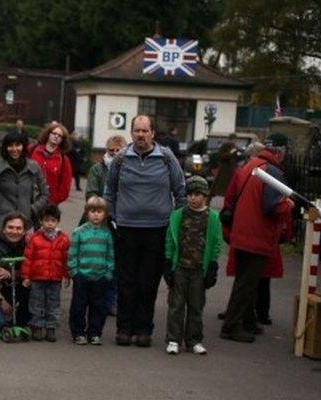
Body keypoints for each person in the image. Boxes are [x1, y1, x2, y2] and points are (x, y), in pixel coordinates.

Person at [104, 114, 186, 347]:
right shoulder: (120, 159)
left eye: (144, 131)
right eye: (136, 131)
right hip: (126, 229)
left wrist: (177, 223)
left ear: (152, 133)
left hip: (157, 229)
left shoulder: (166, 158)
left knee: (148, 283)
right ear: (131, 133)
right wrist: (111, 217)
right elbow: (109, 191)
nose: (140, 135)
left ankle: (143, 330)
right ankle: (124, 328)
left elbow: (180, 191)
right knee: (127, 282)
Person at [220, 133, 293, 343]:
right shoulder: (272, 172)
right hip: (257, 234)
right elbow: (272, 205)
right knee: (247, 282)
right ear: (281, 152)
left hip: (242, 232)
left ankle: (248, 321)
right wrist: (289, 205)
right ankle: (231, 326)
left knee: (245, 281)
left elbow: (231, 196)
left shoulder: (249, 166)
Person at [163, 176, 222, 355]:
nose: (193, 198)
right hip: (180, 266)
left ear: (205, 196)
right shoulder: (178, 215)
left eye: (197, 194)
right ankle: (173, 339)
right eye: (189, 194)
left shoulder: (212, 217)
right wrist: (167, 262)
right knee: (176, 305)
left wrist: (212, 265)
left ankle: (194, 340)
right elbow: (170, 240)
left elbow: (216, 242)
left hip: (199, 269)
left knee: (196, 305)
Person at [85, 135, 125, 315]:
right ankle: (94, 299)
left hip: (122, 221)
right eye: (111, 150)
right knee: (96, 261)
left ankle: (111, 301)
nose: (115, 154)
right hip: (99, 220)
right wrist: (102, 212)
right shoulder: (96, 169)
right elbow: (91, 193)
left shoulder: (129, 169)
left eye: (119, 151)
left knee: (115, 264)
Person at [0, 130, 50, 230]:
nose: (14, 149)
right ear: (5, 148)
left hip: (26, 222)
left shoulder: (34, 167)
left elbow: (45, 193)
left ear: (23, 146)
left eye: (18, 145)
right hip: (2, 222)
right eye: (10, 146)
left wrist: (33, 209)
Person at [68, 197, 115, 345]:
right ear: (86, 213)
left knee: (99, 307)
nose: (96, 215)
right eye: (92, 211)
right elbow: (72, 253)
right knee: (78, 306)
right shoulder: (79, 232)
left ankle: (94, 333)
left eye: (99, 212)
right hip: (82, 275)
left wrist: (108, 272)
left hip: (100, 277)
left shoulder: (107, 234)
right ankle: (78, 332)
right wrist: (73, 271)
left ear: (105, 214)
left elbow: (110, 255)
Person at [21, 204, 69, 342]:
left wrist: (66, 275)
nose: (50, 224)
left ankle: (51, 327)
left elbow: (66, 259)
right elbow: (28, 259)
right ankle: (37, 326)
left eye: (53, 220)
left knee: (53, 304)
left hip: (55, 279)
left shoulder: (63, 239)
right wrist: (26, 277)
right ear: (41, 221)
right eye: (47, 220)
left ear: (58, 222)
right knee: (36, 303)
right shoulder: (35, 239)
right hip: (37, 278)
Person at [0, 213, 33, 334]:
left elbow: (33, 271)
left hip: (16, 290)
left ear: (25, 231)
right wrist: (1, 300)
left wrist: (10, 274)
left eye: (19, 228)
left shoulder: (30, 245)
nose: (14, 232)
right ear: (3, 229)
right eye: (10, 227)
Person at [29, 122, 73, 206]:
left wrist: (54, 201)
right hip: (28, 200)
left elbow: (65, 187)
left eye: (60, 136)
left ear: (62, 140)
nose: (56, 136)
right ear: (48, 134)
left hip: (48, 204)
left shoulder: (64, 160)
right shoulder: (33, 150)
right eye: (54, 133)